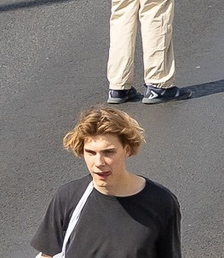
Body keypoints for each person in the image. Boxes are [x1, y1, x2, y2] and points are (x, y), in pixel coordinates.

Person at [33, 107, 183, 257]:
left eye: (108, 152)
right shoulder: (68, 197)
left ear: (127, 150)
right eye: (91, 153)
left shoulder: (161, 202)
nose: (99, 162)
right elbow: (46, 255)